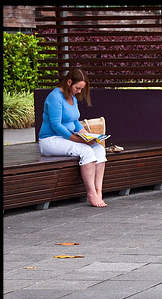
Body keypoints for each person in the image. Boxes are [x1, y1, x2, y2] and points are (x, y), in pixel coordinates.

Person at [38, 68, 107, 207]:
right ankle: (91, 193)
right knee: (86, 150)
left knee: (99, 149)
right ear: (69, 82)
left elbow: (75, 121)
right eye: (77, 88)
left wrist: (87, 136)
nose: (79, 91)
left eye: (81, 88)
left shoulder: (73, 97)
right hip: (50, 140)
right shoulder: (55, 97)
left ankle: (99, 191)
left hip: (67, 138)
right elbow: (56, 125)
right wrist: (79, 140)